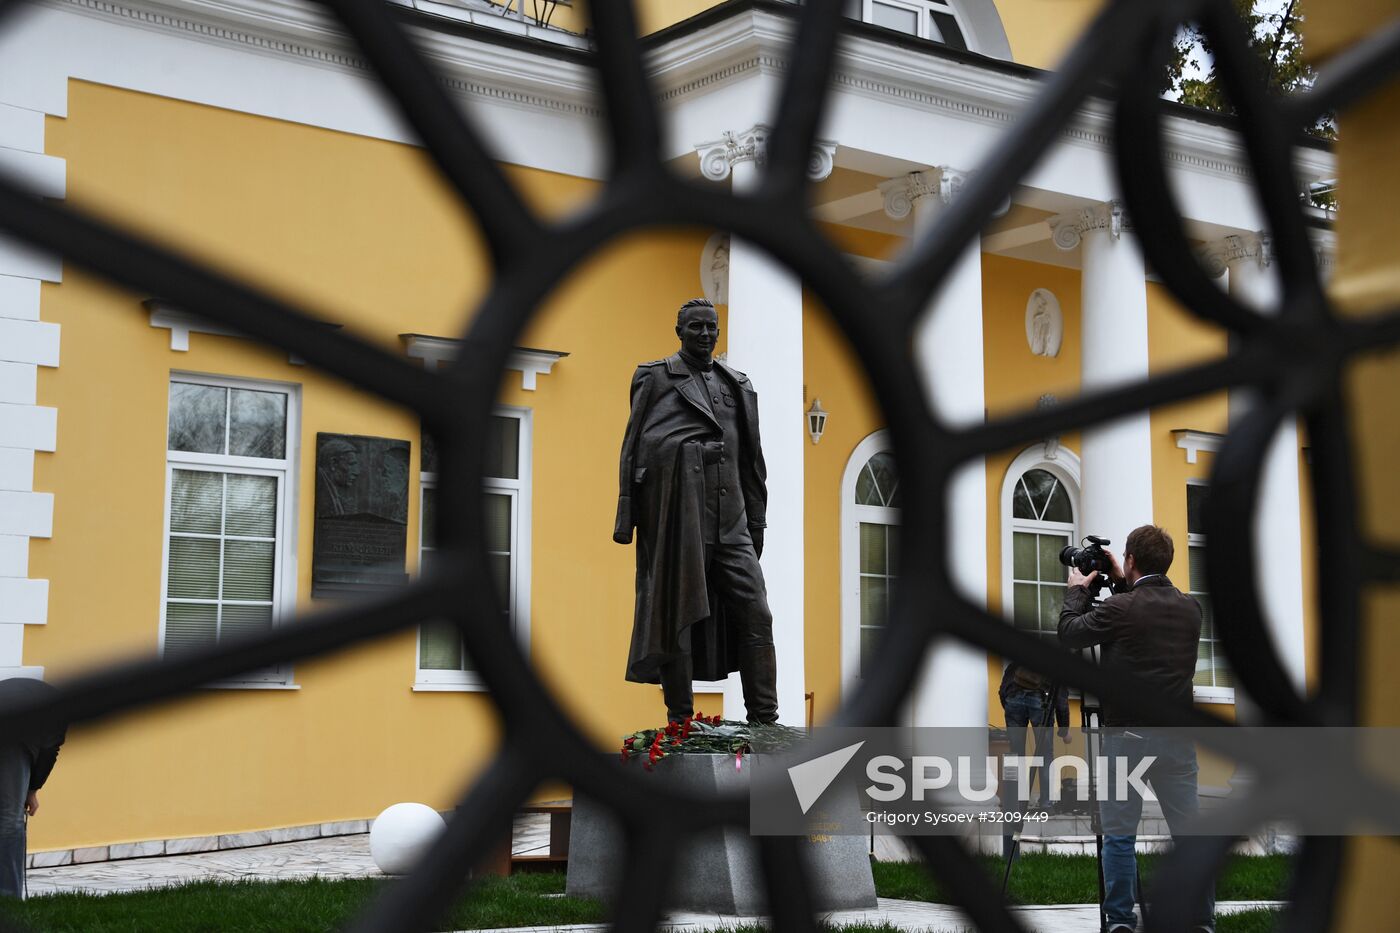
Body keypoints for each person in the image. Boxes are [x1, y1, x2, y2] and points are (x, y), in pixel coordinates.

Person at [613, 298, 776, 724]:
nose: (705, 335)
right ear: (680, 331)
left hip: (732, 521)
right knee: (678, 616)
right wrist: (629, 514)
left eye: (711, 328)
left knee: (756, 611)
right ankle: (680, 720)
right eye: (696, 327)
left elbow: (750, 459)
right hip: (679, 520)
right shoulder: (656, 377)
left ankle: (766, 719)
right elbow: (637, 448)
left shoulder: (736, 383)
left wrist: (757, 520)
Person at [1057, 524, 1211, 933]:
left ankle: (1121, 922)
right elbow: (1143, 609)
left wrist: (1076, 589)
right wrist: (1125, 581)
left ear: (1129, 559)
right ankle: (1201, 922)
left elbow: (1070, 633)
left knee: (1120, 835)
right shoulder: (1190, 608)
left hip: (1127, 737)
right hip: (1178, 740)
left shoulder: (1121, 610)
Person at [0, 677, 67, 898]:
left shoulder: (41, 693)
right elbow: (49, 753)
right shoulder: (61, 711)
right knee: (11, 820)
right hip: (11, 734)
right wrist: (32, 790)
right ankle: (9, 896)